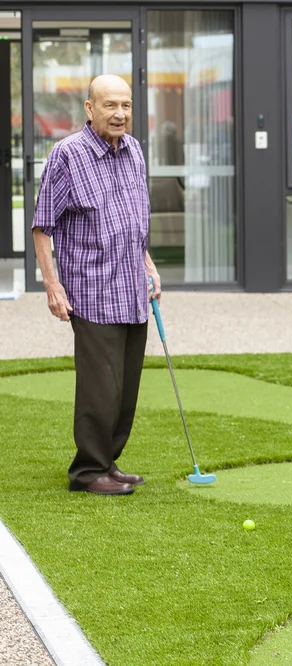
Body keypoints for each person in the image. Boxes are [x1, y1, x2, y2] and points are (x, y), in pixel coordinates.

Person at [32, 74, 161, 496]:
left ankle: (109, 461)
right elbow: (42, 226)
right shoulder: (66, 155)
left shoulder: (136, 151)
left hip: (132, 289)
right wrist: (53, 285)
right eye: (110, 105)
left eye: (125, 105)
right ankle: (88, 472)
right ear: (90, 109)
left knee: (126, 388)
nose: (120, 113)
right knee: (100, 387)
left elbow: (134, 221)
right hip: (91, 291)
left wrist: (149, 263)